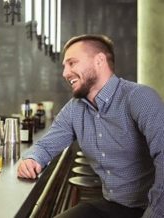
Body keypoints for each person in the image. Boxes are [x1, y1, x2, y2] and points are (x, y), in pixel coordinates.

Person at [17, 34, 164, 218]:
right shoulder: (74, 109)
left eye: (72, 63)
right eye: (65, 66)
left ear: (99, 61)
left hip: (153, 207)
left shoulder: (139, 98)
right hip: (113, 205)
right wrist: (32, 159)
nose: (65, 73)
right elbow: (46, 145)